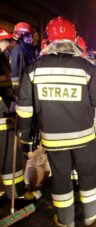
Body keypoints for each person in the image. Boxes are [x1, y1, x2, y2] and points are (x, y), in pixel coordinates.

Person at [16, 16, 96, 227]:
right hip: (84, 137)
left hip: (53, 139)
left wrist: (26, 137)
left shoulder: (35, 68)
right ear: (73, 39)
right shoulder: (86, 67)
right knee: (88, 173)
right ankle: (91, 214)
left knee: (61, 177)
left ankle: (66, 220)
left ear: (49, 40)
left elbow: (25, 109)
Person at [0, 25, 26, 200]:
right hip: (2, 116)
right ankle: (16, 196)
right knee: (10, 156)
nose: (8, 44)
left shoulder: (2, 58)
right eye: (5, 41)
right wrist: (11, 104)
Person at [10, 22, 36, 90]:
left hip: (29, 83)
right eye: (29, 35)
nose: (31, 38)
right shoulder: (17, 50)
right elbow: (14, 69)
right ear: (22, 35)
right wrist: (16, 88)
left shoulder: (29, 49)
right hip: (23, 85)